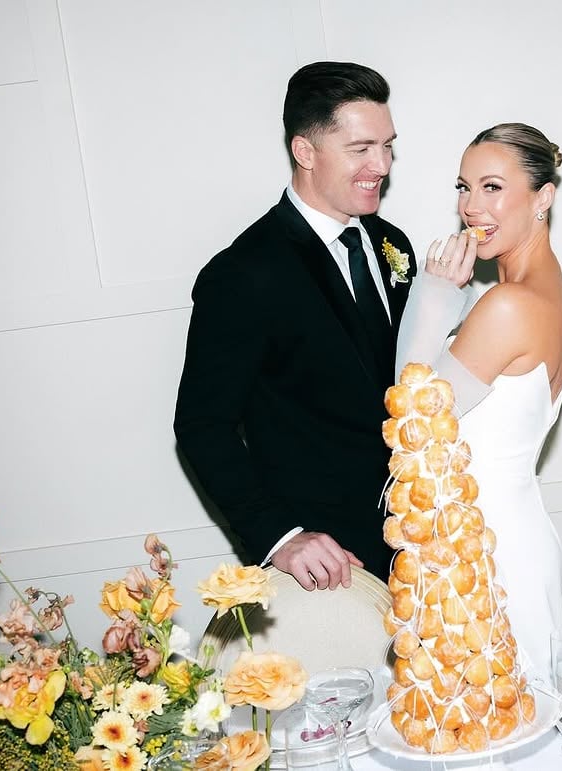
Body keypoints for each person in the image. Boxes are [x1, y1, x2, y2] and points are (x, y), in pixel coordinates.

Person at [174, 62, 415, 591]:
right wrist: (281, 537)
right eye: (361, 148)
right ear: (305, 151)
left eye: (387, 146)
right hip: (327, 566)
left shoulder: (393, 245)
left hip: (418, 546)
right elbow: (202, 426)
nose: (381, 165)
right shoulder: (243, 273)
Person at [394, 122, 562, 677]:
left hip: (484, 552)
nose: (471, 207)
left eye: (492, 187)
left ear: (543, 198)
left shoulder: (507, 305)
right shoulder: (559, 295)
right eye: (464, 187)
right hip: (515, 538)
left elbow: (410, 422)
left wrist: (433, 294)